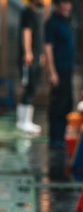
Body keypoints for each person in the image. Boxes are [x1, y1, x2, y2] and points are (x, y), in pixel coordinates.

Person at [45, 0, 74, 149]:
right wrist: (52, 72)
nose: (68, 6)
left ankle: (61, 138)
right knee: (58, 105)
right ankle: (55, 139)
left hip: (67, 69)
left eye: (69, 3)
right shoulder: (52, 22)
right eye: (65, 3)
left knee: (67, 104)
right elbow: (48, 48)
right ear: (56, 5)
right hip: (58, 70)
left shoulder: (65, 21)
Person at [17, 0, 45, 134]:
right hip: (29, 58)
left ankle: (27, 120)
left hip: (36, 56)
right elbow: (26, 32)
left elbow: (39, 37)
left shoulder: (38, 13)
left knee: (33, 87)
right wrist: (27, 52)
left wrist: (41, 54)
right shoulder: (27, 12)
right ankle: (23, 121)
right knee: (28, 87)